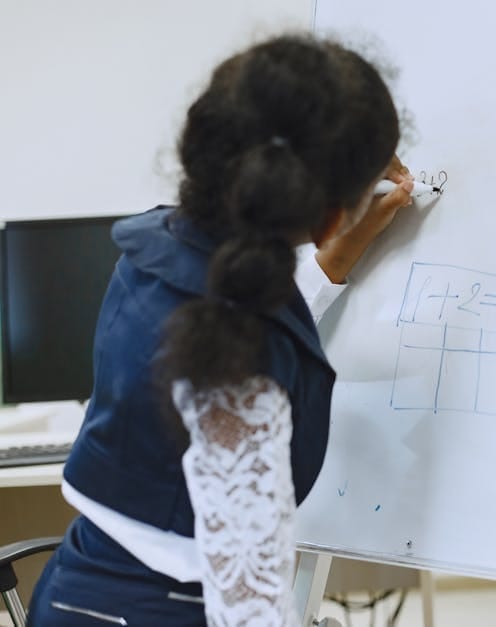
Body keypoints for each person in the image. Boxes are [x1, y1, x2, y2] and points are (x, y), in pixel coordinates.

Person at [27, 33, 413, 626]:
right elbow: (249, 599)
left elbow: (230, 308)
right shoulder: (241, 370)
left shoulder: (151, 247)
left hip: (72, 592)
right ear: (331, 213)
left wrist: (334, 256)